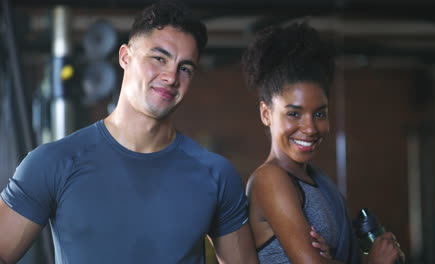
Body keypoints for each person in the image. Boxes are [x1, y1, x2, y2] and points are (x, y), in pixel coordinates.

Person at [0, 1, 261, 263]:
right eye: (159, 58)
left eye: (185, 68)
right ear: (126, 56)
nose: (171, 76)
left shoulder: (216, 174)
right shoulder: (53, 162)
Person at [241, 23, 405, 264]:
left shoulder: (315, 179)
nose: (310, 128)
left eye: (319, 114)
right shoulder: (271, 179)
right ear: (266, 113)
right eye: (294, 114)